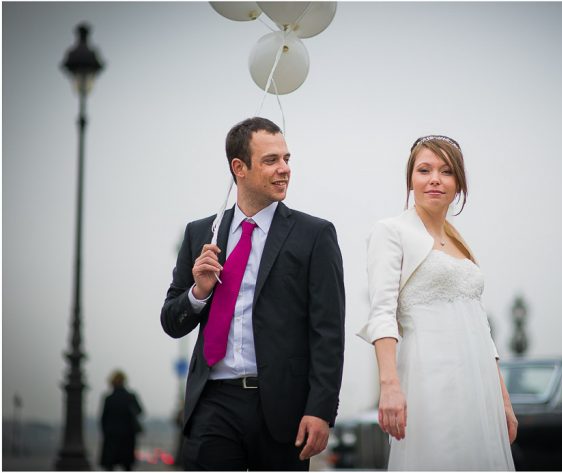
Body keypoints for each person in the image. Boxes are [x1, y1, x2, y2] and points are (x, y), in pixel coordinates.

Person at [160, 117, 345, 469]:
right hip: (213, 403)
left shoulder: (315, 235)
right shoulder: (202, 234)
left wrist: (320, 410)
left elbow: (328, 333)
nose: (285, 169)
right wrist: (198, 292)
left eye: (287, 159)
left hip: (282, 409)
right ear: (239, 168)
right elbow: (171, 321)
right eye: (271, 160)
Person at [357, 135, 516, 470]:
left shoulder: (459, 242)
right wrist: (389, 386)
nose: (434, 179)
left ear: (458, 183)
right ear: (410, 179)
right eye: (424, 170)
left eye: (446, 172)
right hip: (429, 377)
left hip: (479, 383)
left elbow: (480, 323)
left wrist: (501, 398)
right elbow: (382, 313)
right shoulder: (391, 232)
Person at [99, 370, 143, 471]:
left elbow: (103, 419)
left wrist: (106, 432)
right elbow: (140, 411)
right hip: (128, 436)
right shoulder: (130, 397)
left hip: (111, 436)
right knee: (127, 465)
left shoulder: (109, 399)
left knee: (110, 465)